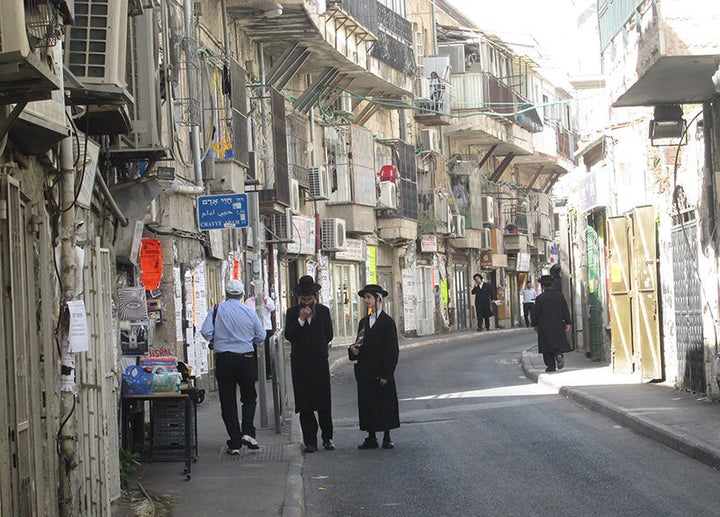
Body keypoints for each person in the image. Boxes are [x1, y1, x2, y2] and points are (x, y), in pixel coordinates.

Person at [201, 279, 266, 454]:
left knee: (228, 401)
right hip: (245, 358)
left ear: (226, 293)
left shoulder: (216, 309)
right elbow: (260, 336)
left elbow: (206, 331)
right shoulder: (249, 311)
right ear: (242, 294)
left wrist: (217, 340)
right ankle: (248, 432)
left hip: (224, 360)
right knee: (249, 397)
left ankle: (235, 442)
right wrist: (246, 339)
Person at [284, 275, 335, 453]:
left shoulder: (323, 311)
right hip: (300, 365)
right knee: (305, 406)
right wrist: (301, 320)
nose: (307, 303)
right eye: (304, 299)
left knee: (323, 404)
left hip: (319, 363)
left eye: (310, 299)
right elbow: (289, 335)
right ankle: (310, 441)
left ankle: (327, 438)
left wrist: (318, 346)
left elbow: (329, 334)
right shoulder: (292, 313)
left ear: (315, 297)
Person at [348, 284, 400, 450]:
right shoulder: (364, 322)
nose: (366, 301)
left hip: (381, 371)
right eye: (365, 298)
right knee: (368, 404)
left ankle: (387, 436)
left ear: (378, 299)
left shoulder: (387, 322)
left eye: (369, 297)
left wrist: (387, 373)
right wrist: (353, 350)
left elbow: (392, 350)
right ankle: (371, 437)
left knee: (384, 403)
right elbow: (359, 343)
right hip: (366, 371)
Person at [532, 275, 573, 372]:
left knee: (546, 346)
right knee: (557, 342)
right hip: (558, 323)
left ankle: (550, 366)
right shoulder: (559, 296)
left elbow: (535, 312)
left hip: (544, 325)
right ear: (552, 284)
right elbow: (565, 309)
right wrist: (567, 322)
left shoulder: (540, 298)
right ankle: (558, 353)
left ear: (543, 286)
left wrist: (534, 324)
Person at [245, 290, 276, 378]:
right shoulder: (248, 301)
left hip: (265, 327)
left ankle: (267, 372)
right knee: (254, 350)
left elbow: (272, 308)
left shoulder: (268, 299)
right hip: (253, 329)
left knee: (266, 351)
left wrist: (264, 299)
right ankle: (256, 373)